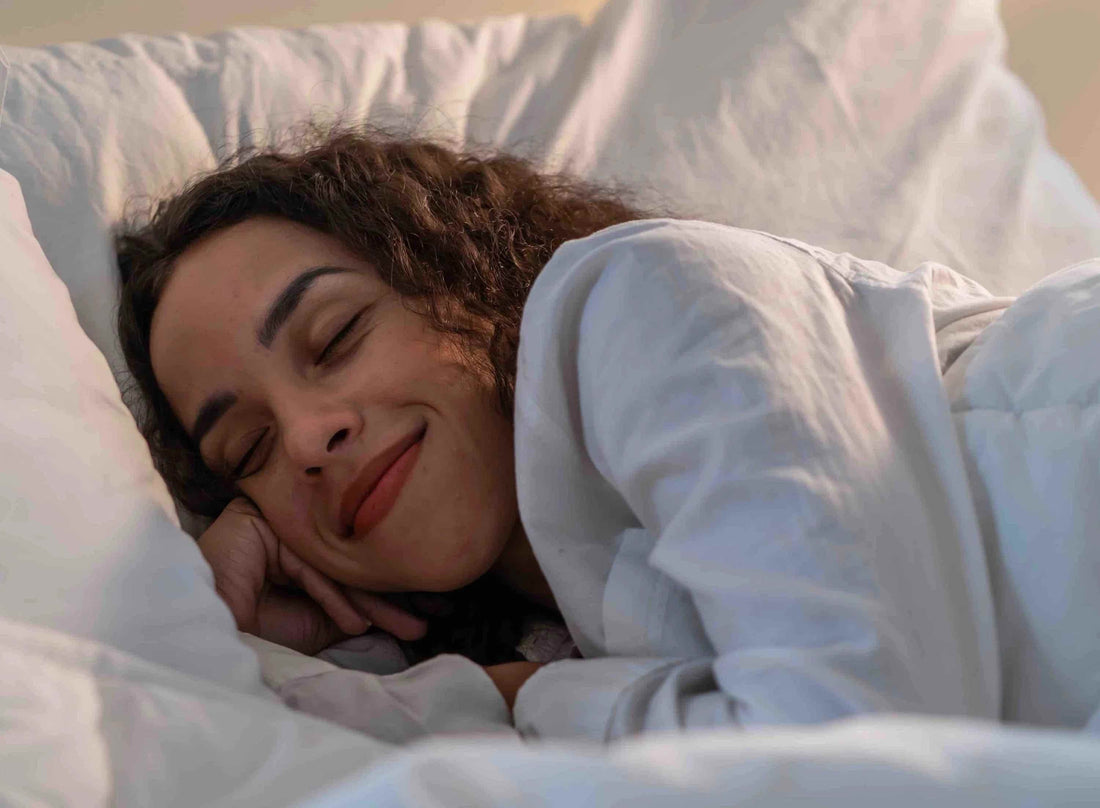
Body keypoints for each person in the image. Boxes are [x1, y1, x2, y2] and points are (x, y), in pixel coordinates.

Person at [116, 125, 1015, 740]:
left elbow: (864, 749)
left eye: (338, 336)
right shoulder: (557, 630)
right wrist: (236, 632)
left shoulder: (645, 296)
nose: (308, 439)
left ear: (462, 282)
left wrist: (529, 698)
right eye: (251, 450)